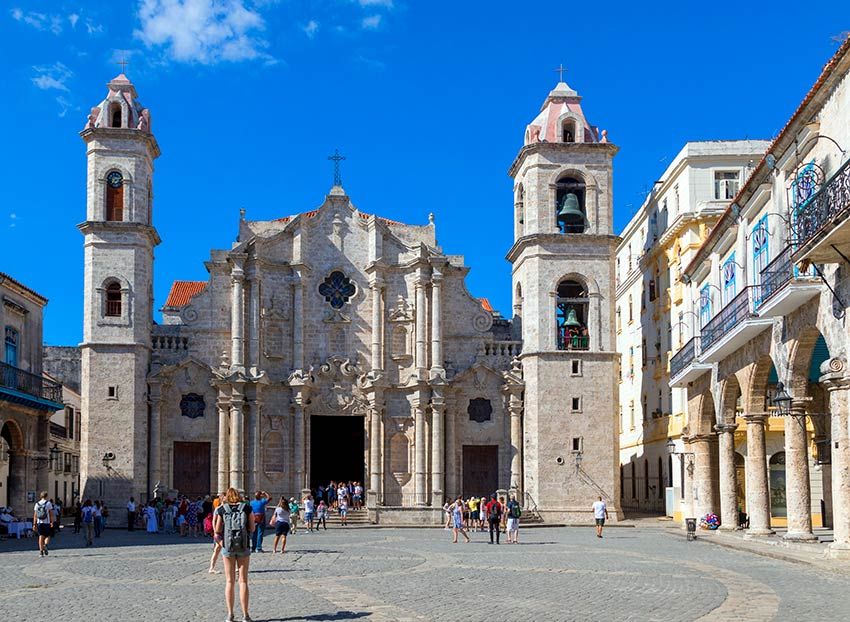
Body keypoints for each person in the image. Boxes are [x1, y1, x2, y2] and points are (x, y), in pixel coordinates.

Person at [213, 487, 255, 622]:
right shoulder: (247, 508)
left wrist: (222, 545)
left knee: (229, 581)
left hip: (228, 547)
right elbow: (252, 528)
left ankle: (230, 614)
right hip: (243, 546)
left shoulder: (222, 509)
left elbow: (217, 531)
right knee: (243, 581)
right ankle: (245, 615)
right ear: (238, 496)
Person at [33, 491, 55, 557]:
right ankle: (45, 545)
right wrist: (52, 522)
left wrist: (34, 524)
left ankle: (41, 552)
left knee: (40, 536)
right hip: (46, 522)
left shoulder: (37, 504)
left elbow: (35, 515)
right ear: (46, 496)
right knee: (48, 535)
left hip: (39, 522)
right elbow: (51, 514)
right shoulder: (48, 503)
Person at [208, 493, 226, 574]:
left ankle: (212, 568)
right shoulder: (218, 509)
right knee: (223, 549)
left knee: (218, 549)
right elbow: (214, 520)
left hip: (224, 531)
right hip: (220, 532)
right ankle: (212, 568)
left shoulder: (227, 508)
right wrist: (215, 531)